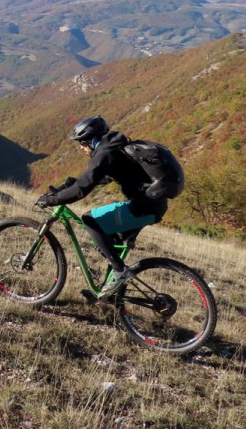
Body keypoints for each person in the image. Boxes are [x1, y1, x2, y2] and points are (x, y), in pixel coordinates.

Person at [35, 115, 169, 299]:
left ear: (92, 140)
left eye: (82, 143)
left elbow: (81, 190)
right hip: (154, 205)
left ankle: (120, 271)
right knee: (112, 241)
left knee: (90, 219)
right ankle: (110, 293)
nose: (82, 148)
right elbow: (105, 176)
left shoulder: (103, 153)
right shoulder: (114, 146)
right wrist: (75, 181)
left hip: (142, 207)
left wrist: (52, 200)